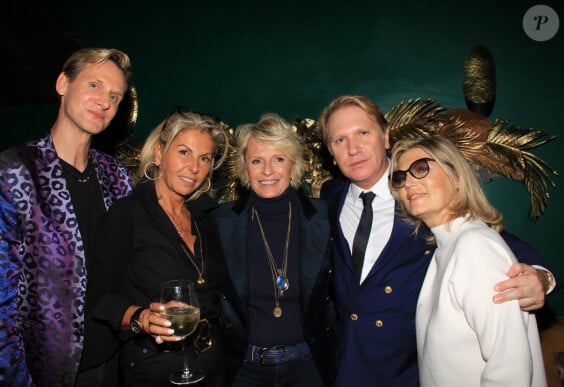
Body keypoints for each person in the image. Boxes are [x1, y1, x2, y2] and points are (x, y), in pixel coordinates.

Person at [317, 95, 556, 386]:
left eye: (363, 133)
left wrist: (540, 277)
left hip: (410, 371)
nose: (353, 149)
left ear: (386, 137)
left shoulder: (421, 190)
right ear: (331, 153)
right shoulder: (330, 197)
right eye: (340, 140)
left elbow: (487, 239)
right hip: (347, 366)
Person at [0, 48, 134, 386]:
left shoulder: (118, 177)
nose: (105, 101)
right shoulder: (10, 172)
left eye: (115, 95)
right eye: (94, 86)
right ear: (62, 83)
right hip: (45, 372)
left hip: (114, 362)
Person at [82, 106, 231, 387]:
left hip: (212, 365)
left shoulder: (208, 218)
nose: (194, 167)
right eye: (184, 152)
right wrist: (142, 318)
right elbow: (99, 298)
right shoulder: (127, 215)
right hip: (154, 367)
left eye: (205, 158)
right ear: (160, 153)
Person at [389, 135, 547, 386]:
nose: (408, 182)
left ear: (457, 177)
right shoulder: (447, 246)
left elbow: (510, 372)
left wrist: (542, 276)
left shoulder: (475, 246)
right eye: (400, 177)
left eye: (420, 168)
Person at [212, 113, 336, 387]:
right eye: (257, 161)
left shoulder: (324, 217)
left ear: (293, 164)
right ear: (245, 168)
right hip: (244, 371)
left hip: (309, 368)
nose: (267, 171)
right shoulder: (220, 222)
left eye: (278, 159)